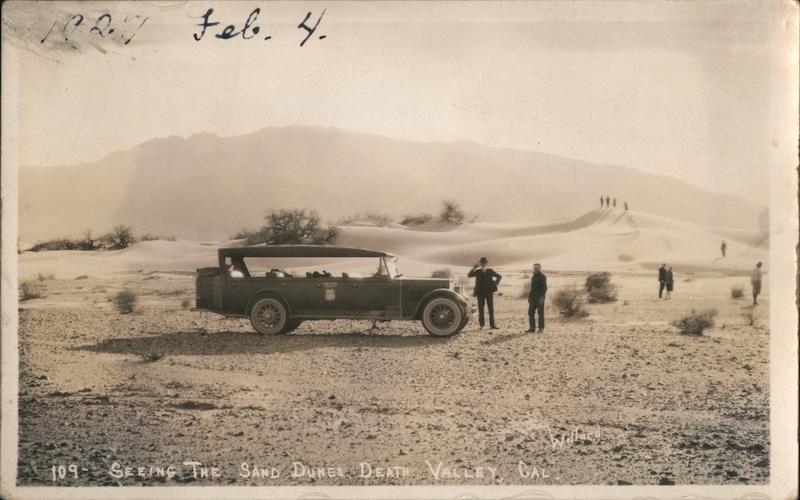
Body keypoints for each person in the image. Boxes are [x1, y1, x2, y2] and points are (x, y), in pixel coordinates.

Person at [468, 257, 502, 329]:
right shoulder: (477, 271)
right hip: (480, 293)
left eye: (484, 263)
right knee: (481, 309)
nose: (483, 264)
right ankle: (482, 325)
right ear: (480, 264)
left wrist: (495, 283)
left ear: (486, 263)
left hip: (489, 292)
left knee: (491, 309)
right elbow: (469, 275)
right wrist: (474, 267)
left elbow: (499, 276)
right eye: (482, 263)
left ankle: (492, 325)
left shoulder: (490, 271)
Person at [526, 263, 548, 333]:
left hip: (540, 298)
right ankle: (532, 328)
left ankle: (541, 328)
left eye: (537, 268)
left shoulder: (542, 276)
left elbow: (544, 288)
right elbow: (532, 288)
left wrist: (542, 297)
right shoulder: (533, 276)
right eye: (535, 268)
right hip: (533, 298)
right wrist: (529, 297)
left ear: (540, 268)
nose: (536, 269)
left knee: (540, 313)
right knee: (530, 313)